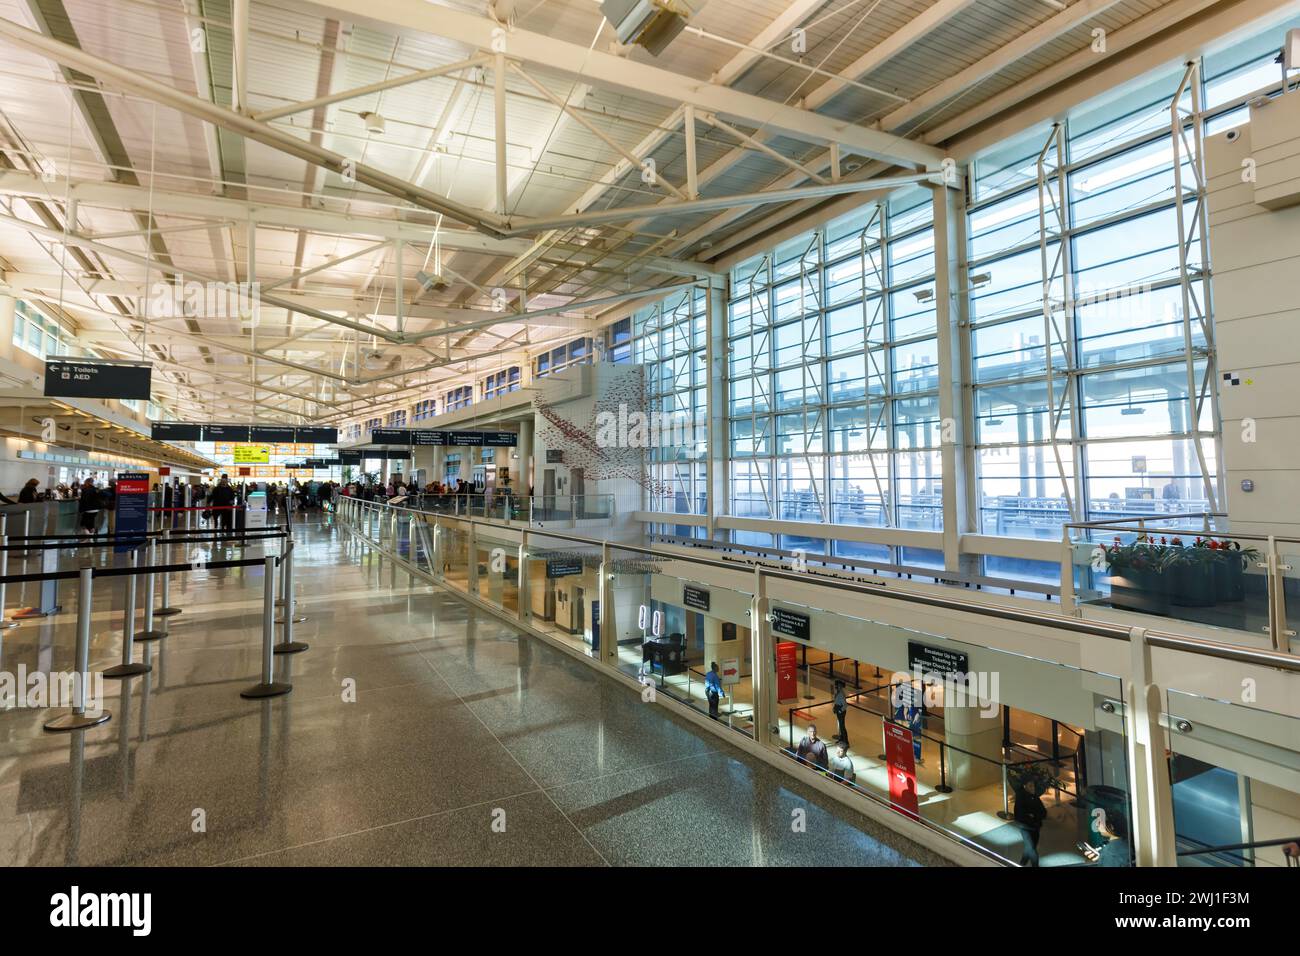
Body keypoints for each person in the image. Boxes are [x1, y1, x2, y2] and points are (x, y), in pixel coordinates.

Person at [1013, 775, 1047, 867]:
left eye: (1033, 786)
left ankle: (1021, 864)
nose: (1033, 788)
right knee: (1031, 849)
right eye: (1030, 786)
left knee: (1029, 848)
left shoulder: (1035, 798)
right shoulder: (1021, 796)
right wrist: (1035, 815)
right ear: (1025, 786)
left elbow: (1043, 812)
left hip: (1035, 827)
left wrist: (1033, 815)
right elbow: (1021, 814)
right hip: (1025, 827)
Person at [832, 679, 849, 745]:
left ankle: (846, 742)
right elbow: (836, 701)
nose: (836, 687)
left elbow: (845, 705)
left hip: (841, 712)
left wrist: (839, 710)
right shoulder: (838, 692)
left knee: (842, 727)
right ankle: (842, 739)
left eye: (838, 685)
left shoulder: (841, 694)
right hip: (838, 711)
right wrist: (834, 708)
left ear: (841, 686)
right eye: (836, 685)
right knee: (841, 727)